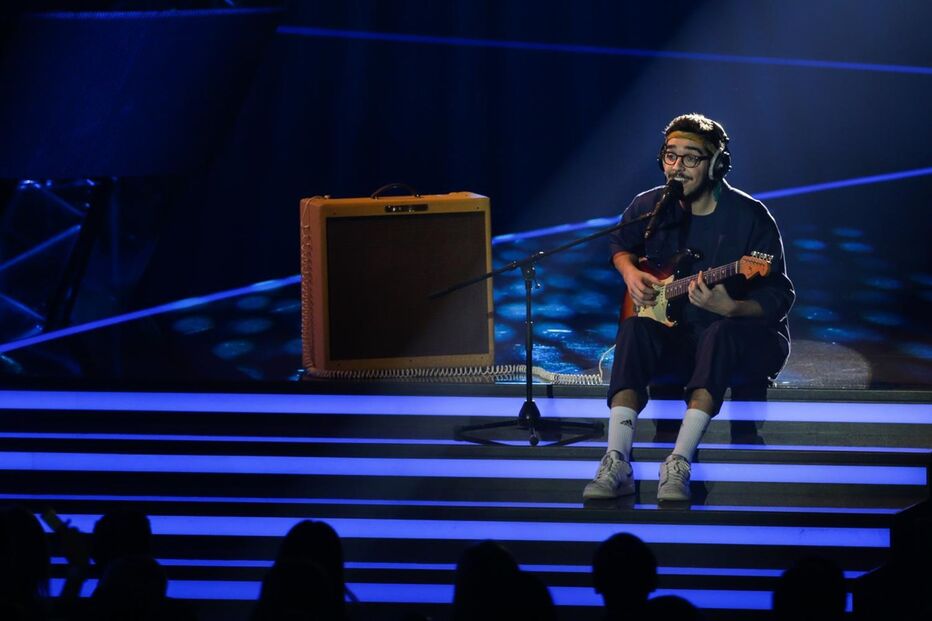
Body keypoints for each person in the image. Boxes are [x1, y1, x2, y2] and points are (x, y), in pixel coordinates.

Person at [584, 113, 795, 502]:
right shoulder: (650, 206)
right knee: (633, 329)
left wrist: (732, 307)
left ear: (717, 164)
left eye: (691, 158)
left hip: (741, 342)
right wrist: (630, 272)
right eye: (670, 156)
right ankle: (617, 460)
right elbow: (619, 245)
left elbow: (779, 294)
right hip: (678, 337)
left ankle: (678, 462)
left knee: (720, 332)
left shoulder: (751, 216)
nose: (677, 168)